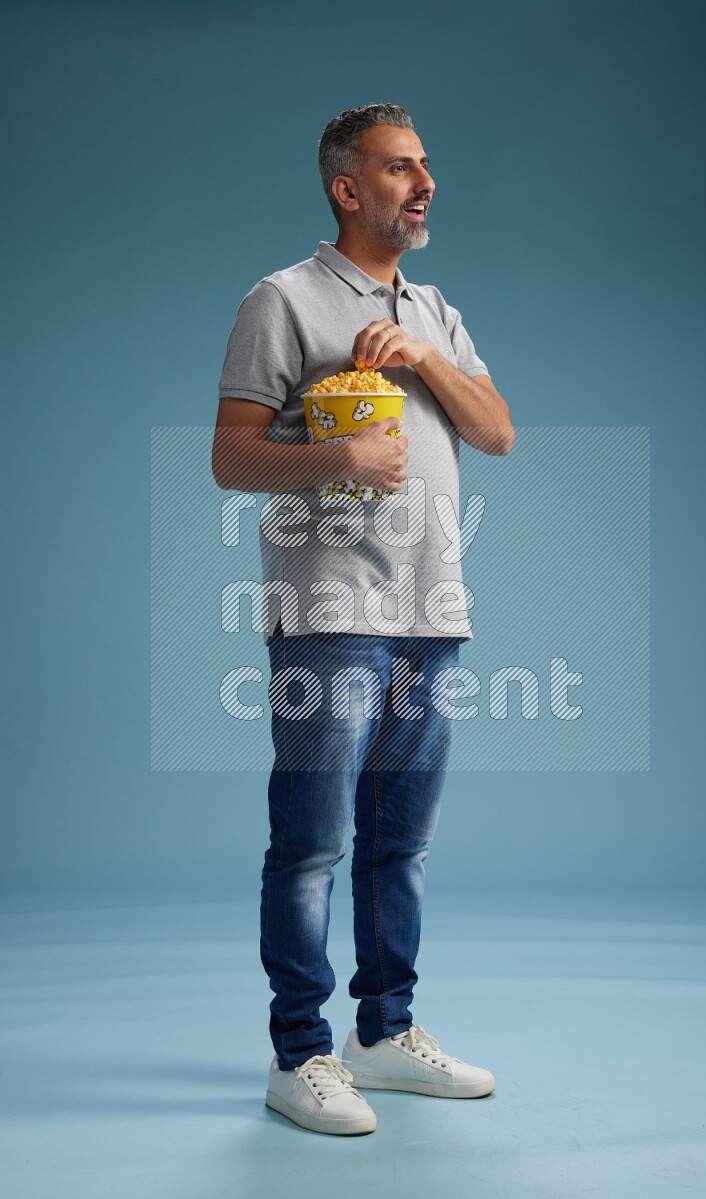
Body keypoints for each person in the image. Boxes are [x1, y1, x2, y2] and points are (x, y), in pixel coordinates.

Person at [212, 103, 515, 1136]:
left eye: (424, 165)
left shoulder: (434, 309)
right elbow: (231, 455)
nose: (421, 183)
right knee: (310, 845)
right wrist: (337, 457)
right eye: (397, 168)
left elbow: (496, 430)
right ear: (347, 189)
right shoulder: (281, 300)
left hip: (431, 608)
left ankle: (382, 1034)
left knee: (400, 845)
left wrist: (421, 358)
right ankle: (299, 1051)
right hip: (330, 610)